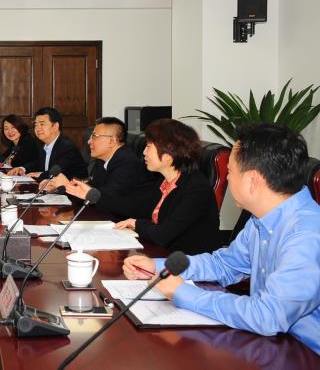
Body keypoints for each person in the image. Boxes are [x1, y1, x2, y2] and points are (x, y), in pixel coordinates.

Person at [124, 123, 320, 354]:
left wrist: (183, 293)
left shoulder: (307, 235)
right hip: (275, 343)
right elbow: (224, 264)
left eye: (230, 172)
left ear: (253, 180)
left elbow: (267, 316)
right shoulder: (261, 219)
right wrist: (159, 267)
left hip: (306, 352)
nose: (227, 178)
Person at [65, 118, 220, 255]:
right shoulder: (164, 181)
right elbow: (136, 207)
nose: (144, 152)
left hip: (188, 265)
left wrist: (136, 224)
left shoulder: (196, 189)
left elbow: (162, 234)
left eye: (149, 147)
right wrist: (94, 196)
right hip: (160, 254)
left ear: (168, 155)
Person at [44, 117, 146, 205]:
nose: (89, 142)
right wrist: (60, 187)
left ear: (112, 141)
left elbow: (105, 198)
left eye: (94, 136)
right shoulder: (103, 160)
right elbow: (93, 189)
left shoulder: (128, 163)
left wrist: (67, 186)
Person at [7, 107, 88, 180]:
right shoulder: (44, 144)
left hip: (71, 190)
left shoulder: (67, 147)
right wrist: (22, 169)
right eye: (36, 124)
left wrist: (40, 174)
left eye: (42, 124)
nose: (37, 128)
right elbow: (39, 163)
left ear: (55, 126)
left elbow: (56, 172)